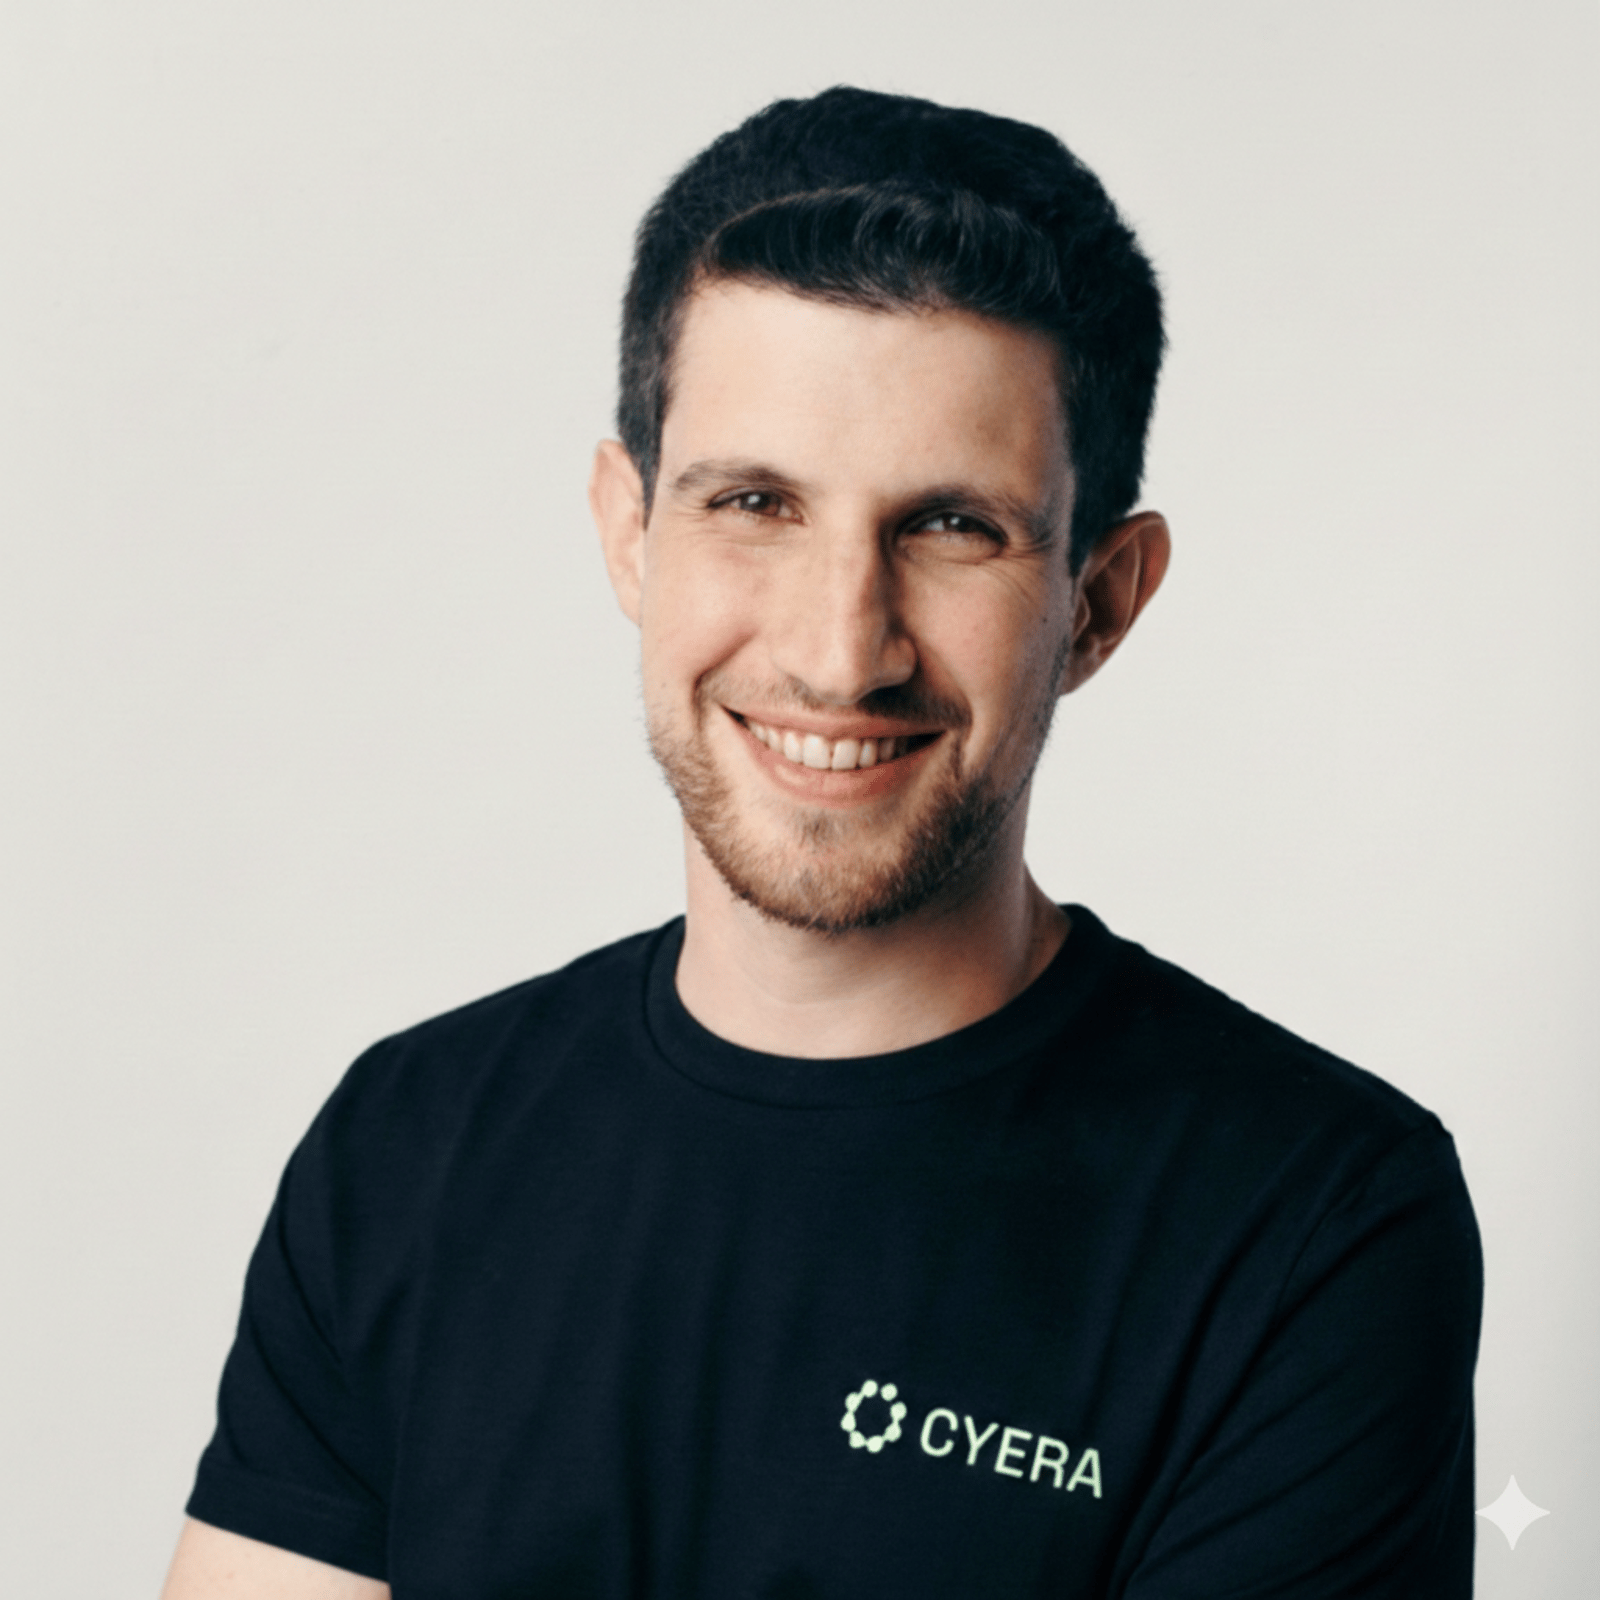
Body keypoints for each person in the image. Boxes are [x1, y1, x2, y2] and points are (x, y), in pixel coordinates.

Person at [161, 87, 1481, 1598]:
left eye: (952, 527)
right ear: (629, 533)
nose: (839, 652)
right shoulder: (408, 1142)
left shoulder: (1313, 1219)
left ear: (1100, 602)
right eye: (755, 502)